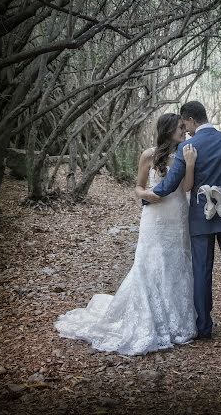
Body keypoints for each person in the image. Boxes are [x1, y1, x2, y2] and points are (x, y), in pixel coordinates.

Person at [54, 113, 198, 355]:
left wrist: (191, 165)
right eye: (180, 128)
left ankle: (177, 318)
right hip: (155, 217)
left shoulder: (186, 153)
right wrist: (146, 195)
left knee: (176, 263)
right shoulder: (148, 155)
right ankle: (147, 314)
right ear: (167, 130)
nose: (184, 131)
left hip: (178, 215)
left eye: (185, 127)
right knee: (149, 262)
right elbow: (138, 187)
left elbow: (186, 188)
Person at [146, 101, 221, 341]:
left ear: (192, 120)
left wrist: (148, 198)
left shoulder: (189, 146)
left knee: (202, 272)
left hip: (201, 219)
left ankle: (204, 329)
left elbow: (171, 182)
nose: (185, 129)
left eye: (185, 124)